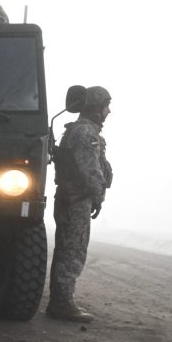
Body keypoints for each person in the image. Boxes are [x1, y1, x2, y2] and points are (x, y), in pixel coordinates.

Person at [47, 86, 114, 322]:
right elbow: (90, 169)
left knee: (67, 248)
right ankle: (62, 303)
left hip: (70, 197)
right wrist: (99, 195)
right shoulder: (86, 132)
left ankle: (60, 301)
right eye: (106, 106)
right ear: (96, 108)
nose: (108, 111)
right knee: (73, 250)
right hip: (76, 199)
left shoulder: (79, 130)